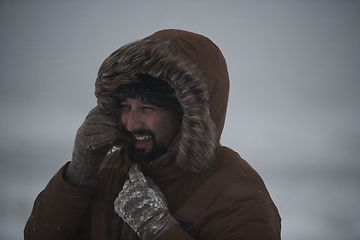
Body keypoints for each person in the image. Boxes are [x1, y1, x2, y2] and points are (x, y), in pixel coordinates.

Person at [24, 29, 281, 240]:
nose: (131, 123)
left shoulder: (236, 189)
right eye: (125, 107)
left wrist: (160, 230)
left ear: (187, 116)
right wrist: (78, 176)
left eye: (148, 108)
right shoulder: (110, 170)